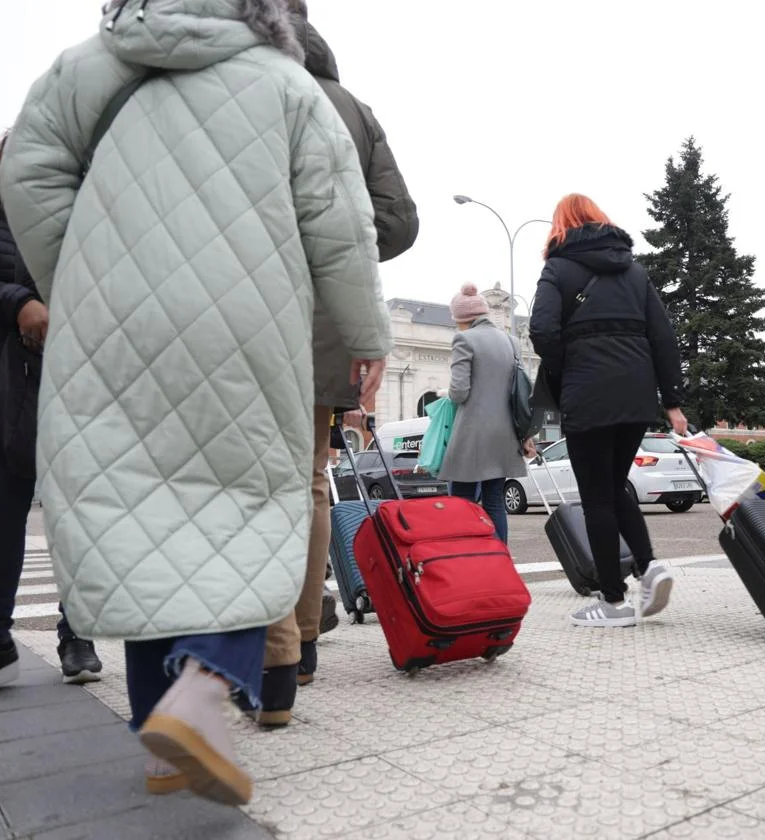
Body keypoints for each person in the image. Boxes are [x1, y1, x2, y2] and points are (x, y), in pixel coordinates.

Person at [0, 0, 390, 805]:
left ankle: (164, 739)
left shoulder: (89, 66)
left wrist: (79, 276)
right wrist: (364, 333)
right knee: (255, 506)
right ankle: (203, 692)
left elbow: (27, 170)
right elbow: (340, 221)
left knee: (138, 518)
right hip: (247, 325)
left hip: (113, 326)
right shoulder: (286, 84)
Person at [256, 0, 419, 728]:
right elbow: (398, 219)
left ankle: (261, 650)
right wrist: (338, 249)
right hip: (326, 320)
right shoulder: (352, 108)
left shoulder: (242, 86)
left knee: (243, 483)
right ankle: (306, 643)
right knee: (310, 483)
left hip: (244, 309)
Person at [0, 134, 103, 700]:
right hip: (0, 390)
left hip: (80, 388)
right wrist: (18, 303)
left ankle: (77, 634)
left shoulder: (99, 218)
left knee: (78, 522)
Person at [530, 194, 687, 628]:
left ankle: (613, 602)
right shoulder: (635, 272)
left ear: (561, 225)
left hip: (589, 394)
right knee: (615, 486)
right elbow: (663, 336)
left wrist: (568, 368)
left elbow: (541, 329)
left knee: (597, 498)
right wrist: (671, 399)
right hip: (637, 395)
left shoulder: (558, 269)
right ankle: (650, 565)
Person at [436, 284, 527, 544]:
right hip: (505, 434)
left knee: (462, 500)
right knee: (495, 500)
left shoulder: (464, 339)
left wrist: (445, 392)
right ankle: (500, 559)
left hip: (474, 435)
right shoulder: (512, 341)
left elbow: (460, 392)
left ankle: (469, 558)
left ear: (463, 319)